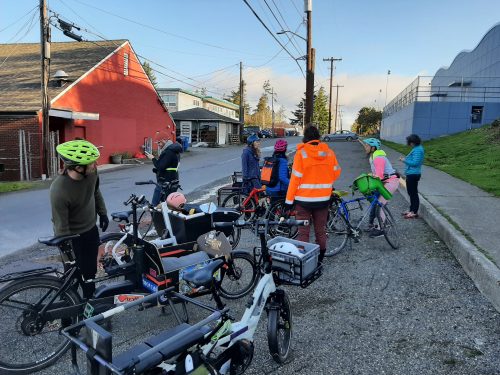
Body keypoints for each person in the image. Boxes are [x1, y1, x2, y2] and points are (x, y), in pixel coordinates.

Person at [50, 140, 108, 299]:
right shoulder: (59, 190)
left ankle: (91, 306)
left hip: (90, 230)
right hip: (71, 236)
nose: (95, 164)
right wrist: (68, 255)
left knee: (90, 273)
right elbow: (60, 227)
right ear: (78, 167)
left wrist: (103, 213)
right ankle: (68, 316)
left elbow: (95, 192)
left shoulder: (92, 173)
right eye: (91, 163)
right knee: (72, 278)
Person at [285, 125, 341, 263]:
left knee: (303, 232)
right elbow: (336, 172)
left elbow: (294, 180)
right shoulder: (329, 153)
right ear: (318, 136)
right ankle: (320, 260)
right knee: (320, 231)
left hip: (303, 201)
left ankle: (304, 262)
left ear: (305, 137)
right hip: (323, 200)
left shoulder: (301, 154)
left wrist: (288, 201)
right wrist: (325, 180)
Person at [362, 138, 400, 237]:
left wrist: (369, 180)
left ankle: (381, 229)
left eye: (366, 145)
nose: (365, 147)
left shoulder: (378, 157)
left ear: (373, 147)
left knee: (380, 205)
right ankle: (383, 222)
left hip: (390, 182)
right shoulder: (374, 156)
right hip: (386, 182)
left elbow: (379, 176)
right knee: (379, 203)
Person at [145, 131, 183, 206]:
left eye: (159, 143)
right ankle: (166, 217)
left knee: (154, 205)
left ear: (164, 140)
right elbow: (167, 166)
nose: (158, 145)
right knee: (167, 204)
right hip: (172, 181)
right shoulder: (174, 151)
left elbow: (160, 166)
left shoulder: (168, 152)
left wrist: (153, 158)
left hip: (164, 183)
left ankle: (156, 217)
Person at [399, 134, 424, 219]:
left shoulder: (418, 150)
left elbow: (415, 163)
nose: (409, 144)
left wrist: (404, 160)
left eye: (410, 143)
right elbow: (413, 160)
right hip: (411, 173)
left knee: (413, 193)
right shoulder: (416, 148)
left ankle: (414, 212)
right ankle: (411, 210)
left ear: (413, 142)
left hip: (413, 174)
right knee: (411, 193)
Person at [265, 139, 290, 204]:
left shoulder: (272, 159)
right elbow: (282, 178)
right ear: (284, 149)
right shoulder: (282, 161)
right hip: (279, 190)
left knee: (273, 210)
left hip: (269, 188)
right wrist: (292, 184)